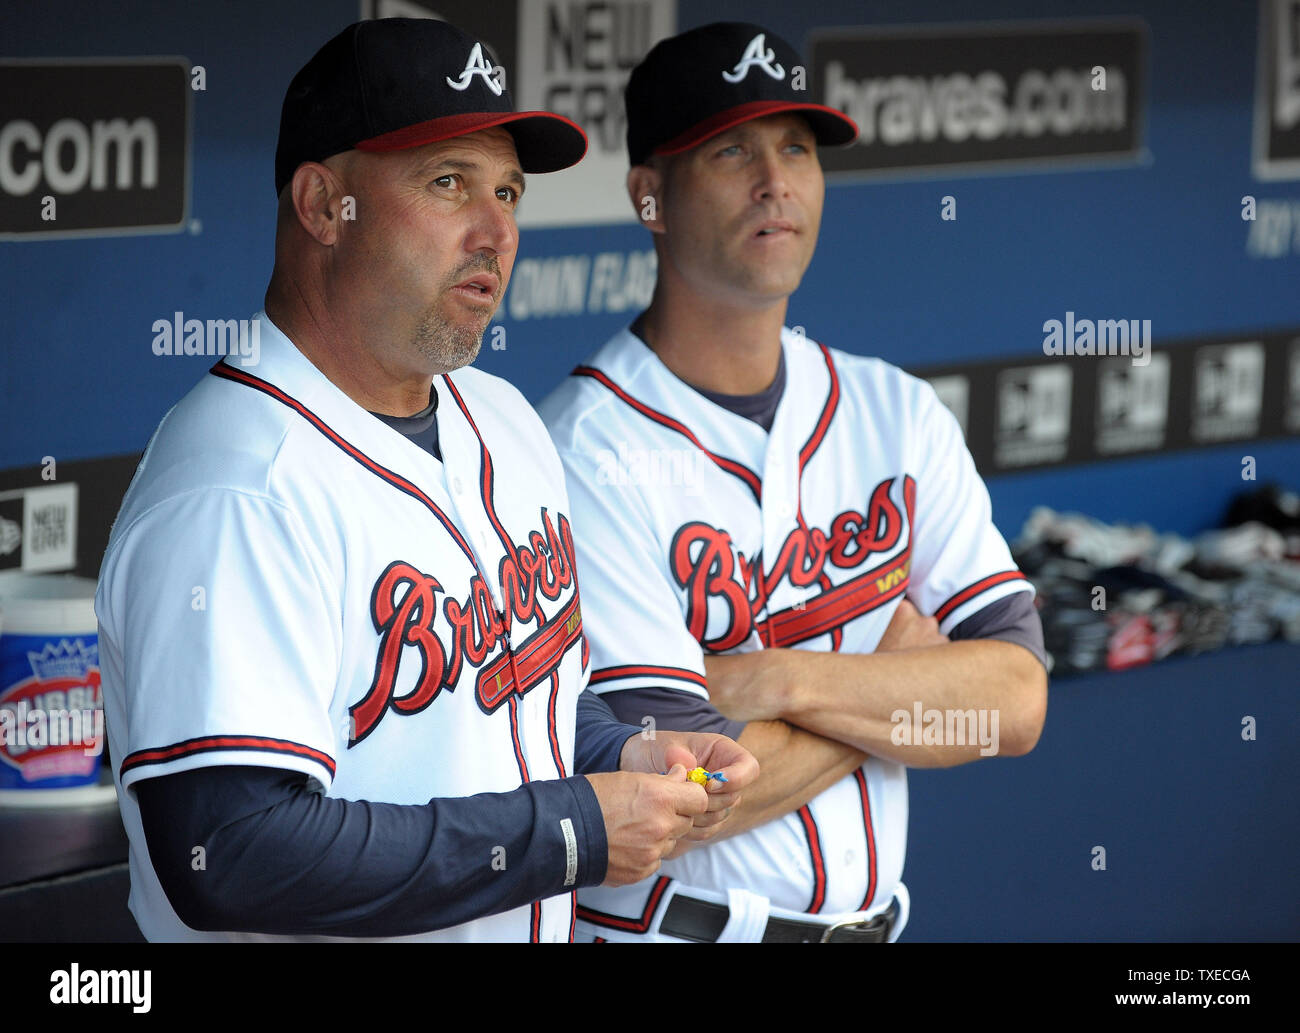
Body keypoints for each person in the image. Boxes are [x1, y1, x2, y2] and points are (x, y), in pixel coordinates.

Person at [95, 17, 756, 943]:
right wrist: (571, 830)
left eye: (509, 192)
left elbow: (523, 695)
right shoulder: (239, 486)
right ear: (324, 206)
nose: (496, 231)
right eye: (448, 183)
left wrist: (627, 751)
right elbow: (231, 851)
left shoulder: (505, 422)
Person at [539, 22, 1048, 943]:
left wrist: (768, 679)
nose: (776, 182)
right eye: (732, 150)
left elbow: (1013, 704)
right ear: (650, 197)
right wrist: (895, 684)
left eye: (797, 149)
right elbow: (688, 792)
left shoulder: (896, 411)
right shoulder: (583, 450)